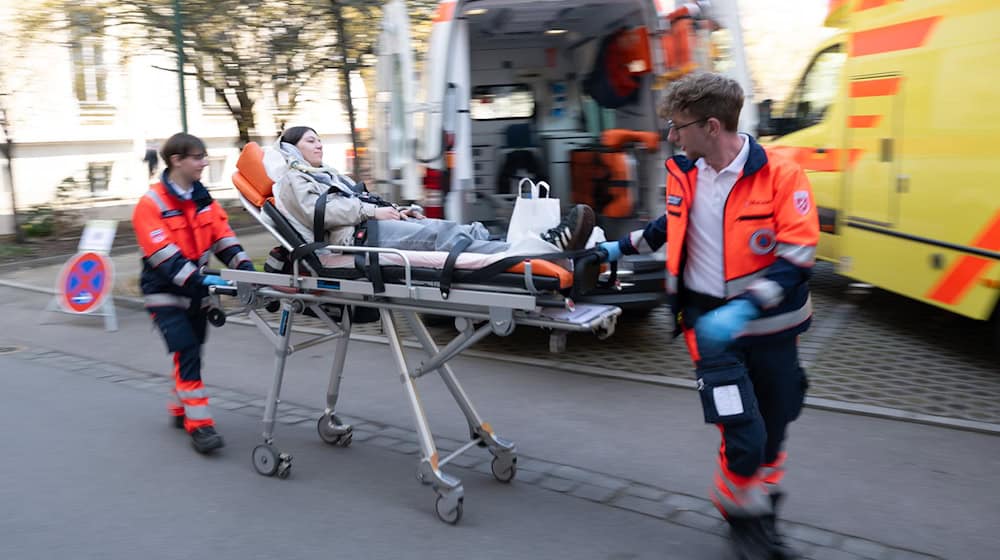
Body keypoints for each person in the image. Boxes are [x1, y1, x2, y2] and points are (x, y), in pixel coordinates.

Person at [599, 73, 818, 560]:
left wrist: (746, 305)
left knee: (777, 423)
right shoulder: (686, 173)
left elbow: (798, 255)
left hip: (773, 328)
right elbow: (667, 225)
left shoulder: (782, 175)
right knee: (745, 431)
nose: (672, 137)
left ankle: (760, 510)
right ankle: (743, 516)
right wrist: (617, 247)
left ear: (712, 126)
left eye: (678, 126)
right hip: (708, 329)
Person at [266, 126, 595, 258]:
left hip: (371, 226)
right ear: (291, 150)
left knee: (454, 229)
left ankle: (531, 244)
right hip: (357, 239)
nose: (319, 143)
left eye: (319, 138)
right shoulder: (294, 179)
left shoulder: (325, 175)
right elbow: (319, 213)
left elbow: (357, 202)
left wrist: (395, 210)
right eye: (310, 140)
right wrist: (374, 212)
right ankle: (532, 253)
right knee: (444, 239)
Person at [132, 132, 256, 454]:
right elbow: (164, 257)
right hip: (164, 292)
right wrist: (207, 282)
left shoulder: (204, 200)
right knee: (186, 349)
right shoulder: (151, 204)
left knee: (192, 350)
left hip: (197, 291)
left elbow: (223, 238)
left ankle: (178, 407)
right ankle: (199, 425)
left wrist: (244, 268)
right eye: (198, 157)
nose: (204, 162)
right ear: (177, 160)